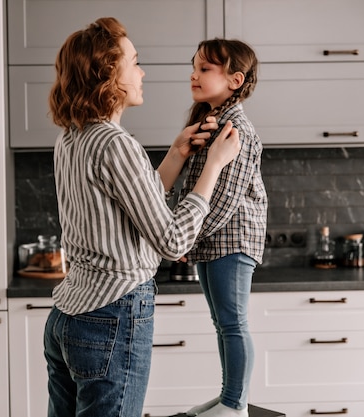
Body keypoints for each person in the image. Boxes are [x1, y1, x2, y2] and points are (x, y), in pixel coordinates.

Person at [44, 17, 241, 417]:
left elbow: (131, 202)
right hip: (111, 316)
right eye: (134, 62)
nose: (141, 71)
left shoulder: (72, 136)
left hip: (67, 317)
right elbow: (172, 241)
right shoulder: (117, 145)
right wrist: (212, 167)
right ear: (108, 76)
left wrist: (175, 155)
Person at [178, 38, 268, 417]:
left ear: (234, 80)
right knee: (223, 323)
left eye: (205, 69)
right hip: (215, 240)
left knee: (233, 323)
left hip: (231, 239)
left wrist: (185, 236)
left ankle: (235, 405)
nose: (194, 75)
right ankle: (229, 395)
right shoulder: (213, 121)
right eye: (195, 67)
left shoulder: (237, 130)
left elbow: (226, 199)